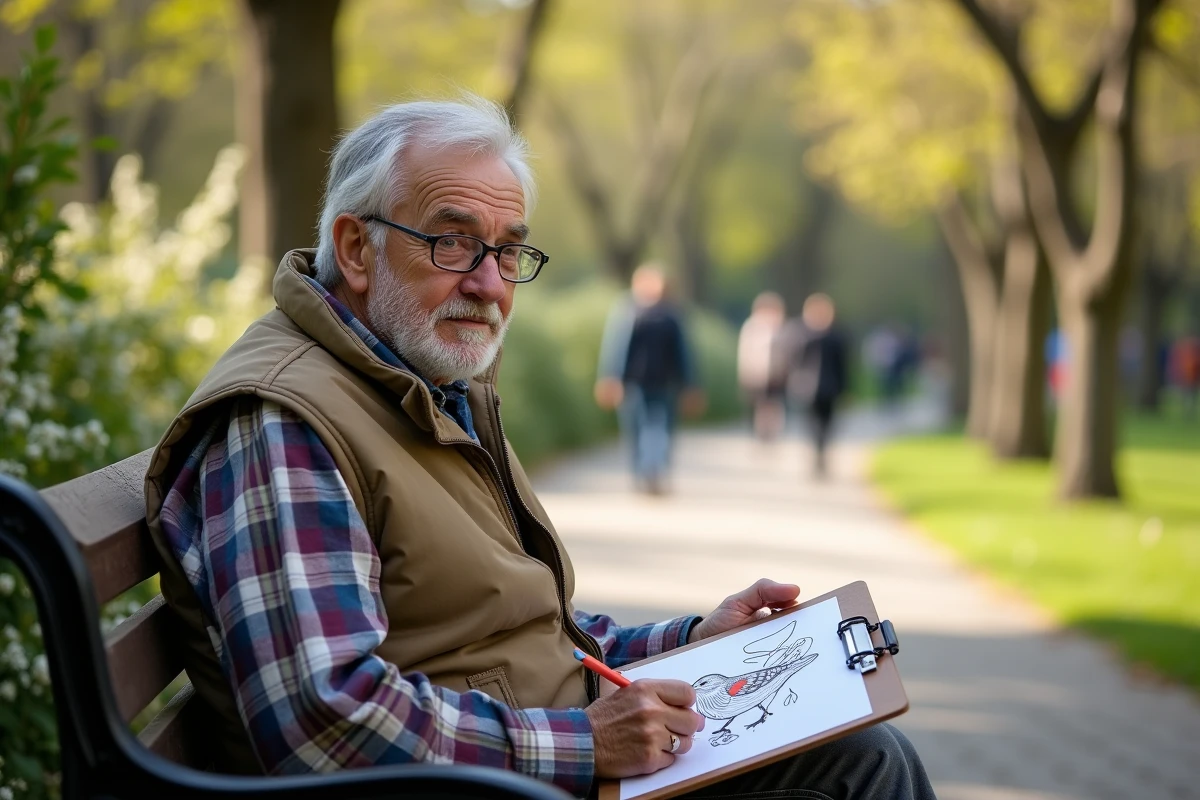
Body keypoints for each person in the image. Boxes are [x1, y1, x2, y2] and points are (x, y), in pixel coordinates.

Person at [144, 97, 936, 800]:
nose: (489, 283)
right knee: (865, 771)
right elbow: (324, 715)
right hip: (512, 781)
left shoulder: (414, 387)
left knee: (862, 750)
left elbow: (526, 628)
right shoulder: (287, 420)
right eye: (452, 243)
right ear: (355, 250)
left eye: (507, 251)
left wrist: (695, 641)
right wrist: (587, 744)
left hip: (532, 766)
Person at [594, 265, 704, 494]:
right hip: (632, 384)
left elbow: (684, 352)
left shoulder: (672, 314)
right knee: (635, 431)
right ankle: (641, 476)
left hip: (664, 384)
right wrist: (610, 378)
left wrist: (690, 385)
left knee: (660, 430)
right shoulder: (627, 311)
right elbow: (615, 348)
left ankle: (655, 472)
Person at [787, 293, 849, 477]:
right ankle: (816, 454)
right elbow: (792, 360)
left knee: (827, 423)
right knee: (811, 423)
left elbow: (843, 365)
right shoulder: (802, 334)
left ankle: (822, 453)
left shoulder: (836, 336)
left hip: (830, 387)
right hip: (807, 388)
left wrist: (845, 389)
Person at [737, 292, 789, 441]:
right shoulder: (752, 327)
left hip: (776, 374)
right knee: (759, 404)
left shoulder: (781, 327)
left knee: (774, 404)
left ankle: (772, 432)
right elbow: (745, 352)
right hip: (756, 373)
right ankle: (760, 432)